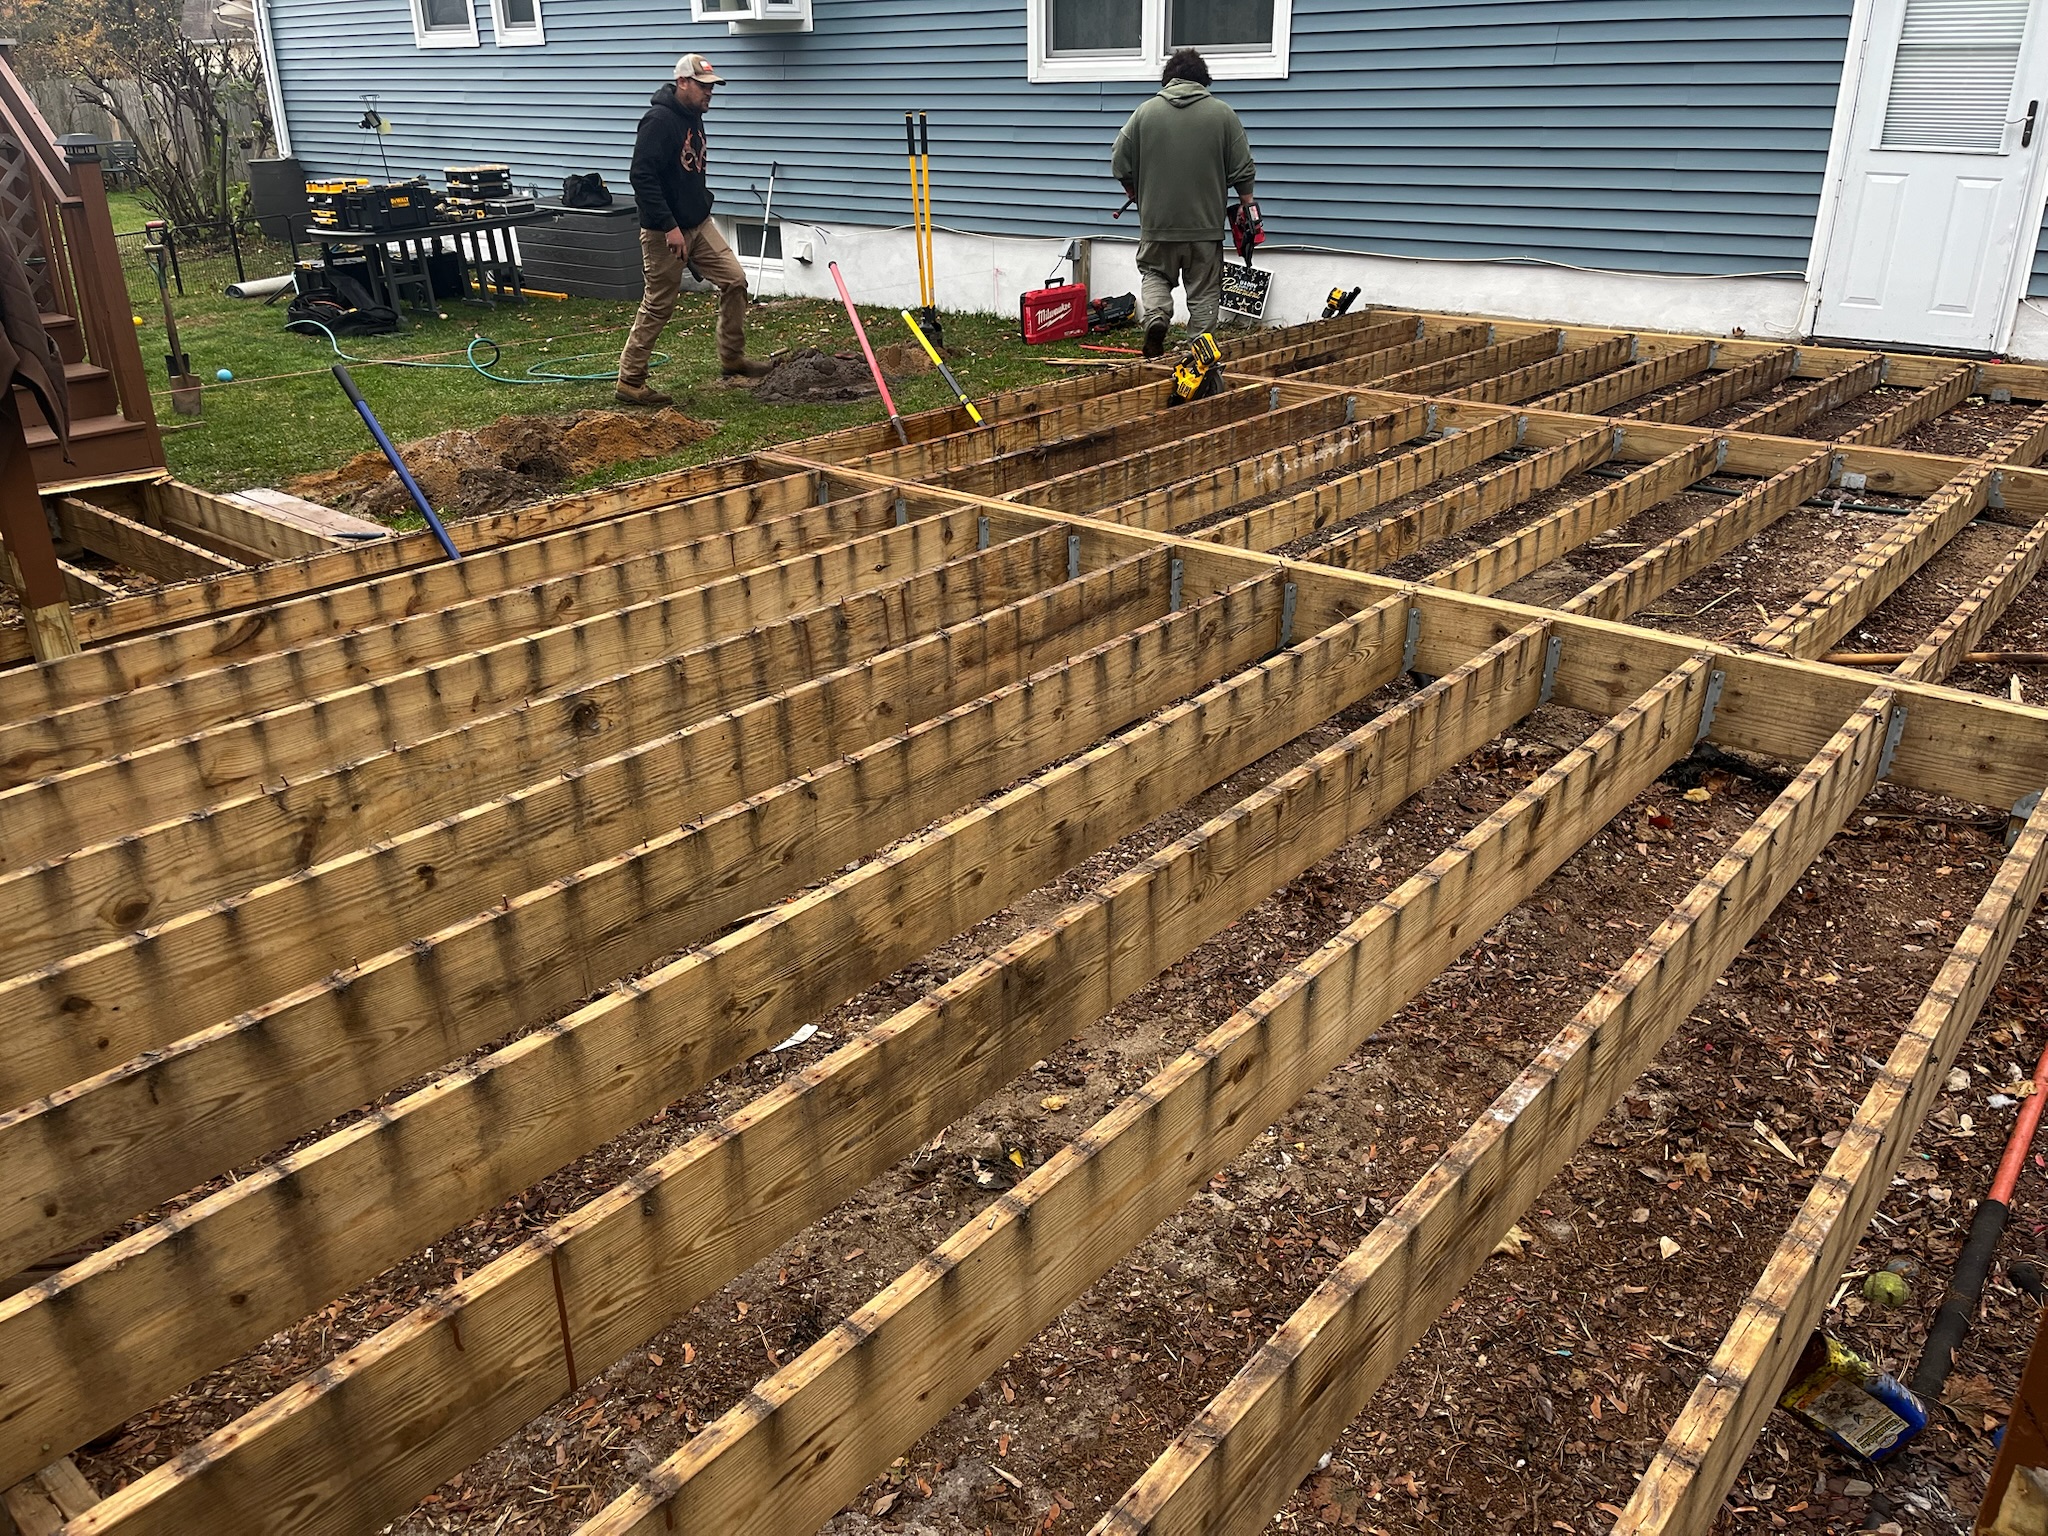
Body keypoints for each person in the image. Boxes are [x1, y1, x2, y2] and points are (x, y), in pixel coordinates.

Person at [616, 52, 771, 404]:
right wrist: (669, 226)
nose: (709, 93)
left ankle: (732, 358)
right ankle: (630, 380)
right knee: (659, 304)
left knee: (735, 280)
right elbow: (641, 176)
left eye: (712, 87)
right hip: (664, 230)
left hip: (698, 224)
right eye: (703, 86)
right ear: (682, 82)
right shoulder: (658, 121)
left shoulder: (693, 116)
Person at [1110, 48, 1257, 359]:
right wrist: (1248, 205)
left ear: (1168, 80)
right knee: (1204, 292)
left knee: (1155, 274)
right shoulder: (1222, 114)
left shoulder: (1144, 113)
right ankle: (1199, 353)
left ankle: (1157, 316)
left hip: (1158, 226)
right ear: (1203, 80)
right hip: (1205, 228)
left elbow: (1119, 162)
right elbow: (1243, 169)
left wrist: (1133, 191)